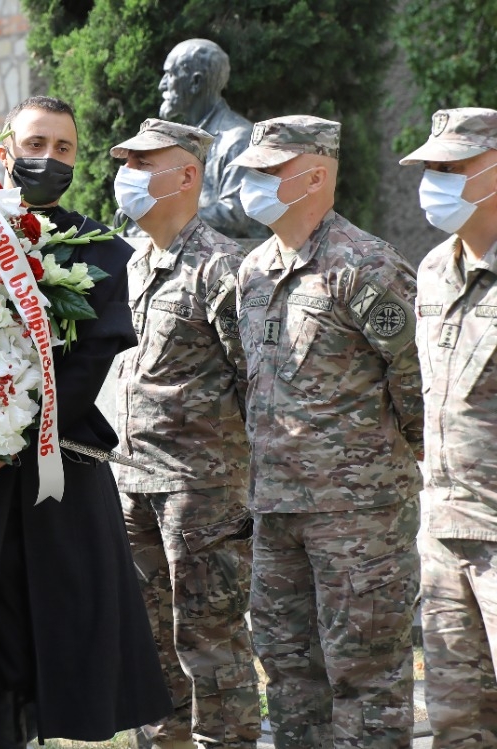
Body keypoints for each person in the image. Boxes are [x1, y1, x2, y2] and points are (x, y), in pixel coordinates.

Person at [0, 95, 172, 747]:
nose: (48, 158)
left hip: (58, 474)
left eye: (64, 148)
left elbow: (86, 369)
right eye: (35, 144)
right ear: (5, 149)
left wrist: (6, 438)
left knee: (63, 637)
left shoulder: (104, 252)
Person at [232, 116, 423, 748]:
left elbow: (416, 377)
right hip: (275, 510)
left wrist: (396, 465)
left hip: (359, 518)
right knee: (288, 676)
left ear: (314, 176)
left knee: (367, 679)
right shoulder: (254, 269)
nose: (252, 182)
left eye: (269, 170)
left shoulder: (365, 266)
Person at [110, 119, 258, 749]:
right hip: (131, 483)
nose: (128, 176)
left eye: (144, 164)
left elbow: (257, 381)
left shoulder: (222, 269)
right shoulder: (133, 261)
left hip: (202, 493)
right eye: (126, 163)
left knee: (210, 645)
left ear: (187, 175)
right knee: (148, 648)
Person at [400, 106, 497, 749]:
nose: (435, 179)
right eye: (430, 166)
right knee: (456, 720)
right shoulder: (434, 270)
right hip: (442, 531)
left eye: (453, 166)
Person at [157, 39, 266, 239]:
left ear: (196, 83)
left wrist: (167, 219)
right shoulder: (182, 140)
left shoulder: (239, 139)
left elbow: (236, 213)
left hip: (234, 254)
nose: (161, 85)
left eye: (170, 74)